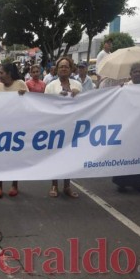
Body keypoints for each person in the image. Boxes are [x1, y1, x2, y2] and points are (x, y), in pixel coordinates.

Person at [111, 63, 140, 193]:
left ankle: (139, 184)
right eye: (135, 71)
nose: (138, 73)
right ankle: (122, 183)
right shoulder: (125, 88)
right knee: (125, 155)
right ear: (131, 74)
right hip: (127, 128)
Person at [44, 57, 83, 198]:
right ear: (57, 69)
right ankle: (54, 185)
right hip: (56, 126)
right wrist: (56, 99)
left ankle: (67, 186)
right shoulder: (50, 86)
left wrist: (79, 95)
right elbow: (44, 105)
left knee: (69, 157)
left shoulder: (78, 85)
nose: (64, 69)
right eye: (61, 67)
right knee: (55, 156)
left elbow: (87, 103)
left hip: (72, 126)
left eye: (66, 66)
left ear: (71, 68)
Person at [0, 63, 28, 198]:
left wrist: (24, 95)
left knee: (15, 157)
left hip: (17, 127)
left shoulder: (20, 83)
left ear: (9, 73)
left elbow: (30, 102)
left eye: (1, 73)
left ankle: (14, 184)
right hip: (1, 126)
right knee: (0, 157)